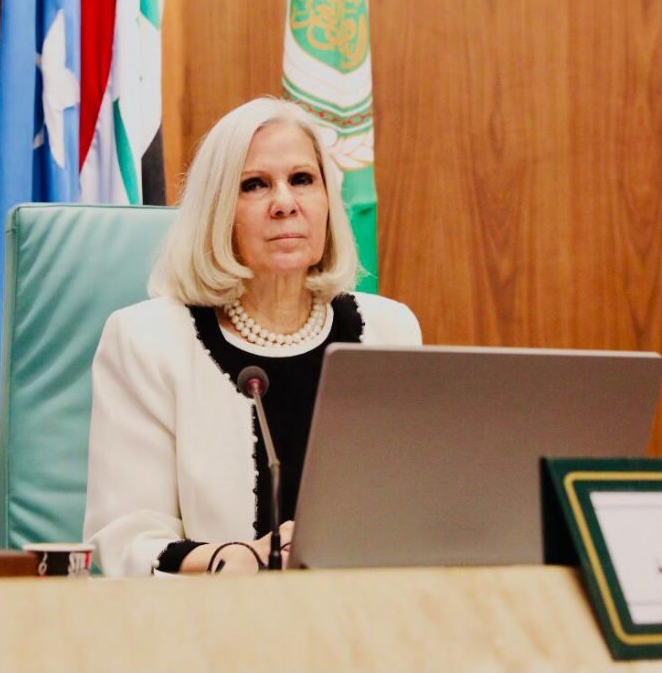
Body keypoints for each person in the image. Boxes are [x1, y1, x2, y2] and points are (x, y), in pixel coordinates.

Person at [82, 98, 422, 577]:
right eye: (255, 184)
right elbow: (127, 539)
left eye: (302, 179)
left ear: (328, 201)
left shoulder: (389, 330)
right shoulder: (147, 341)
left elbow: (411, 509)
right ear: (219, 211)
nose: (285, 203)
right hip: (217, 612)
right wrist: (239, 556)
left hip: (364, 608)